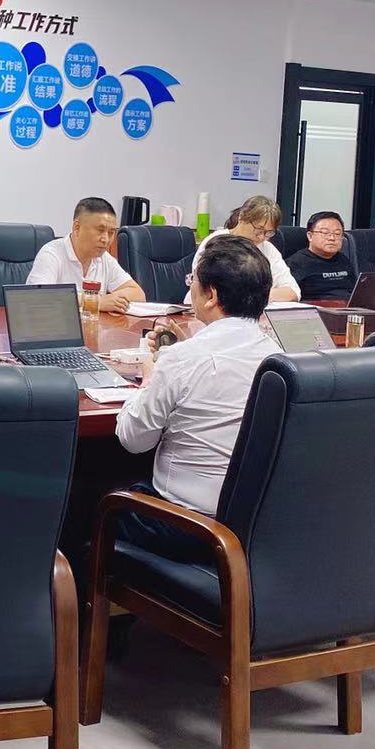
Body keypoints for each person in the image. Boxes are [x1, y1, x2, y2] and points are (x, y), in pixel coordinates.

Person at [113, 236, 281, 556]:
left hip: (189, 527)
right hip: (255, 527)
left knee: (93, 503)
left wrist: (149, 379)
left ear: (211, 295)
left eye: (193, 281)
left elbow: (133, 440)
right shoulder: (277, 357)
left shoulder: (183, 360)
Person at [26, 195, 143, 312]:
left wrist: (111, 299)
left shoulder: (104, 258)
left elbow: (138, 294)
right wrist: (95, 302)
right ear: (77, 227)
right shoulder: (51, 254)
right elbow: (39, 298)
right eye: (100, 230)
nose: (106, 239)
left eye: (111, 233)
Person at [191, 195, 300, 302]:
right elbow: (206, 290)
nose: (262, 237)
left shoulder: (268, 249)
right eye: (258, 230)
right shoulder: (216, 243)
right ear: (241, 217)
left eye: (269, 232)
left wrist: (255, 297)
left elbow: (293, 291)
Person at [285, 209, 357, 301]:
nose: (332, 238)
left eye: (337, 233)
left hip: (348, 307)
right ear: (310, 236)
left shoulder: (343, 259)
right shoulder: (295, 263)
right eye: (325, 233)